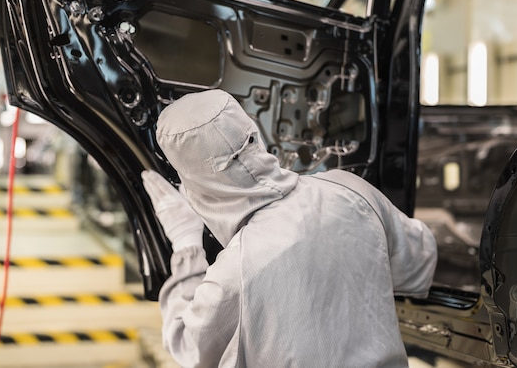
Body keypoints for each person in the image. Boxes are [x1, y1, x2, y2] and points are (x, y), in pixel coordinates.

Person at [141, 89, 437, 368]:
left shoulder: (235, 273)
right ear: (253, 133)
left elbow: (188, 346)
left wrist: (186, 243)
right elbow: (420, 263)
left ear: (194, 181)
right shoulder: (350, 190)